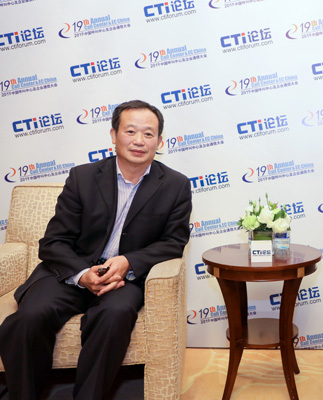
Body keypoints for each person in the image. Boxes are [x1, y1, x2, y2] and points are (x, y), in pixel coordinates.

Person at [0, 100, 192, 400]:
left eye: (148, 134)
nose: (139, 141)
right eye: (130, 131)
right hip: (70, 273)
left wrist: (128, 262)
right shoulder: (83, 178)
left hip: (123, 280)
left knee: (115, 315)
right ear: (114, 135)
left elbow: (174, 242)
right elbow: (53, 241)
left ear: (160, 142)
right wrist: (82, 274)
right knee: (29, 317)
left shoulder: (176, 185)